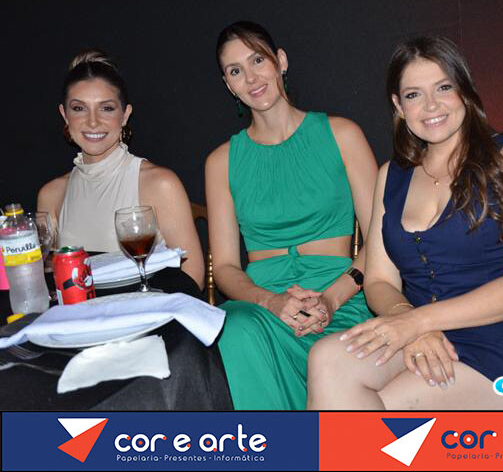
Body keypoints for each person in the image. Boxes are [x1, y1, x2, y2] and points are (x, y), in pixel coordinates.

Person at [307, 36, 503, 411]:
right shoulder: (391, 176)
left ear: (464, 91)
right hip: (425, 335)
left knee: (380, 407)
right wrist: (405, 319)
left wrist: (418, 323)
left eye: (443, 88)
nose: (431, 105)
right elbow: (379, 281)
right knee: (326, 358)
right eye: (414, 95)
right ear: (399, 106)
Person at [206, 21, 378, 409]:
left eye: (258, 60)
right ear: (228, 84)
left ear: (280, 61)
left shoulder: (342, 134)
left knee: (336, 354)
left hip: (341, 296)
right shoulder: (221, 162)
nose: (251, 78)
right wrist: (270, 302)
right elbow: (227, 267)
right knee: (234, 331)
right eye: (236, 71)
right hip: (261, 307)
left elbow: (381, 242)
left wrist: (331, 299)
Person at [37, 50, 204, 289]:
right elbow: (50, 282)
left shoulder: (159, 183)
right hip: (79, 312)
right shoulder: (51, 195)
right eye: (79, 108)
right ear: (65, 115)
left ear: (125, 115)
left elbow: (193, 276)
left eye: (106, 108)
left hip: (148, 310)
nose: (92, 121)